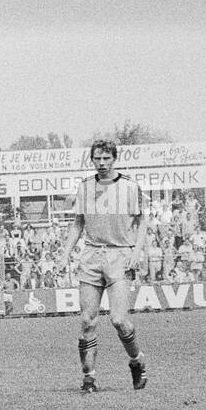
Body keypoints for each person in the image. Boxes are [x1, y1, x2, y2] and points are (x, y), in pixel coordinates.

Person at [59, 139, 149, 393]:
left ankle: (137, 361)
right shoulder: (85, 187)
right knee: (87, 320)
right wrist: (66, 252)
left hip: (120, 255)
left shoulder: (130, 187)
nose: (101, 163)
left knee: (119, 320)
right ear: (92, 160)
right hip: (91, 256)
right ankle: (89, 378)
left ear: (114, 159)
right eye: (97, 158)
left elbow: (142, 222)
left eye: (106, 158)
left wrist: (136, 251)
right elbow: (78, 223)